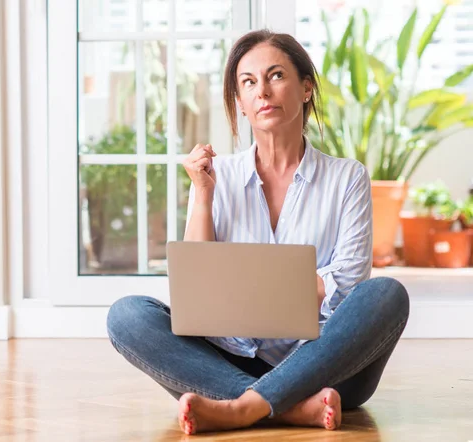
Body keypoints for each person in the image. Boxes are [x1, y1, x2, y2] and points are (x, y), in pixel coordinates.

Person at [106, 29, 410, 436]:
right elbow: (197, 284)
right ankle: (285, 407)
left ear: (305, 88)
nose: (262, 91)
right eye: (248, 82)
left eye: (276, 76)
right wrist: (203, 193)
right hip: (229, 357)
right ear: (241, 105)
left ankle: (238, 407)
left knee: (386, 295)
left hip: (325, 363)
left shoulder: (346, 177)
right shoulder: (220, 175)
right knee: (127, 315)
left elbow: (351, 282)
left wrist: (257, 289)